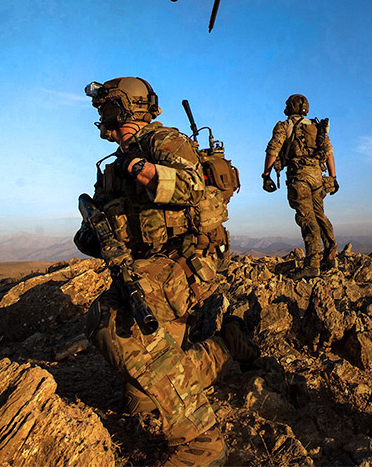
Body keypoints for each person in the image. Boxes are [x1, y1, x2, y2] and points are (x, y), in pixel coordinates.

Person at [77, 77, 257, 467]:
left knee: (112, 321)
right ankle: (222, 349)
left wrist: (143, 169)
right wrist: (93, 236)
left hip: (185, 266)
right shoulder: (112, 168)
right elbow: (101, 225)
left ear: (125, 110)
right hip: (149, 270)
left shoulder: (164, 142)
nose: (102, 124)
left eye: (106, 113)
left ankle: (201, 442)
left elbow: (191, 188)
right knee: (142, 398)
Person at [261, 94, 339, 278]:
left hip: (300, 177)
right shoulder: (317, 127)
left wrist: (266, 175)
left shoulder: (285, 125)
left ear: (289, 107)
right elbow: (329, 154)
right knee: (320, 215)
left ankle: (312, 264)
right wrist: (333, 177)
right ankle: (330, 256)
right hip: (318, 177)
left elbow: (273, 149)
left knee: (307, 218)